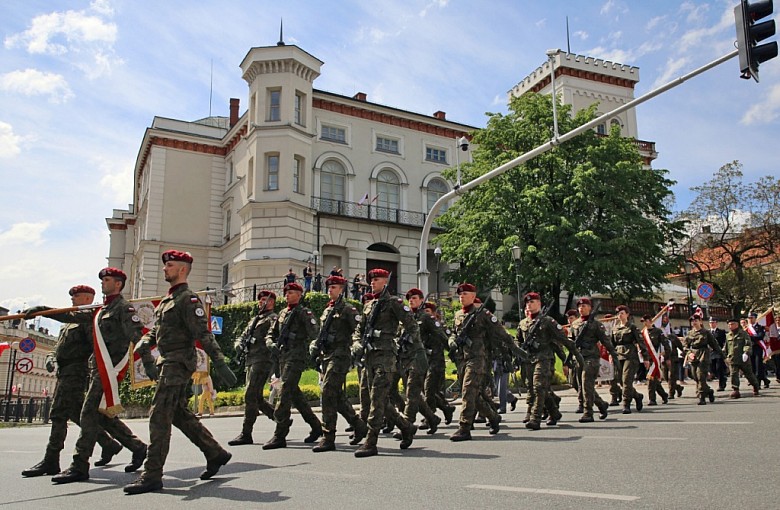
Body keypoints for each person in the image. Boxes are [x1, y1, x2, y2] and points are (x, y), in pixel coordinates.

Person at [124, 250, 237, 494]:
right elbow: (157, 332)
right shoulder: (167, 300)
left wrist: (219, 361)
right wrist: (145, 343)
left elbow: (202, 334)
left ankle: (152, 474)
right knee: (178, 414)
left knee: (159, 415)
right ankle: (215, 453)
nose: (165, 269)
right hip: (167, 362)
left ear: (182, 269)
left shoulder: (188, 299)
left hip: (178, 363)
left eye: (170, 265)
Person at [46, 268, 148, 485]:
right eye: (102, 280)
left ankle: (79, 464)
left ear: (118, 284)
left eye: (107, 280)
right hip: (97, 369)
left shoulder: (123, 308)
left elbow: (139, 337)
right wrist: (44, 312)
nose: (103, 283)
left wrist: (149, 364)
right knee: (101, 415)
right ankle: (137, 447)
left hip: (110, 369)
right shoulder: (101, 309)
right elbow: (72, 315)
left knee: (88, 414)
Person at [21, 285, 126, 478]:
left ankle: (51, 460)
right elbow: (57, 346)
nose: (73, 298)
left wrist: (42, 310)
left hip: (76, 371)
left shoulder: (89, 319)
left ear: (88, 298)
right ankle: (109, 444)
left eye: (77, 296)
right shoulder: (68, 324)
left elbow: (95, 347)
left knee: (59, 413)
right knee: (79, 413)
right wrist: (51, 358)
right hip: (64, 371)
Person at [351, 269, 418, 456]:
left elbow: (411, 325)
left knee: (377, 400)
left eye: (377, 279)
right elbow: (359, 329)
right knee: (376, 400)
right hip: (369, 357)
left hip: (386, 357)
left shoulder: (394, 303)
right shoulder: (369, 305)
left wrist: (406, 347)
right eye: (371, 279)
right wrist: (356, 343)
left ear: (386, 281)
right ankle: (406, 427)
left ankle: (371, 442)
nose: (372, 282)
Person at [309, 275, 367, 452]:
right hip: (327, 356)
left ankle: (328, 437)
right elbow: (321, 334)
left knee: (327, 392)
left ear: (341, 289)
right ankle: (358, 424)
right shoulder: (327, 310)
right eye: (329, 287)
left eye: (334, 287)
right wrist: (315, 344)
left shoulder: (348, 310)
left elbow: (359, 330)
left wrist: (355, 347)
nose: (330, 290)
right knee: (336, 395)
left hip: (340, 355)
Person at [262, 282, 323, 450]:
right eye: (286, 292)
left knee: (285, 391)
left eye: (292, 292)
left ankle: (280, 434)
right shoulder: (282, 313)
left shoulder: (304, 313)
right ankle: (316, 426)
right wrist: (270, 343)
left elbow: (315, 332)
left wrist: (312, 347)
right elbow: (271, 333)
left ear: (300, 294)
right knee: (295, 394)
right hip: (282, 357)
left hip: (296, 357)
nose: (287, 294)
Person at [449, 284, 512, 440]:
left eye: (465, 293)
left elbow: (502, 333)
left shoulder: (483, 314)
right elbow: (452, 333)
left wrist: (514, 350)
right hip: (463, 359)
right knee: (474, 395)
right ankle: (493, 417)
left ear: (473, 295)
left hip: (478, 359)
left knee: (468, 391)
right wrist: (451, 341)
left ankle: (464, 428)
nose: (461, 296)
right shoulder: (458, 315)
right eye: (460, 294)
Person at [517, 292, 582, 430]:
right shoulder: (523, 323)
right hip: (529, 360)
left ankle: (535, 418)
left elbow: (563, 340)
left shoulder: (548, 321)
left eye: (533, 302)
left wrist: (575, 357)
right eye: (528, 302)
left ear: (539, 304)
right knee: (538, 389)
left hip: (544, 358)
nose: (529, 304)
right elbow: (518, 340)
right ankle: (553, 411)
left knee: (539, 386)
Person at [228, 290, 278, 446]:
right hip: (251, 359)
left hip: (263, 360)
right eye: (260, 300)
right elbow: (243, 335)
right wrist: (238, 344)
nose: (261, 302)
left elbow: (273, 336)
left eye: (265, 300)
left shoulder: (273, 319)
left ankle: (246, 433)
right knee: (256, 396)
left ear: (272, 302)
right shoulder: (255, 319)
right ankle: (280, 418)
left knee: (250, 394)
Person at [398, 289, 441, 433]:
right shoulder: (405, 316)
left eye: (414, 298)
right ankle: (432, 418)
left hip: (419, 358)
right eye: (409, 298)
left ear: (421, 300)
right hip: (405, 359)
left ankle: (407, 425)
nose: (411, 300)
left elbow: (440, 335)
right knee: (415, 394)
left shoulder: (426, 317)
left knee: (411, 392)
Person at [568, 298, 618, 423]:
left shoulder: (596, 324)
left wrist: (614, 355)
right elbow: (570, 341)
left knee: (586, 384)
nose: (581, 308)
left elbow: (606, 341)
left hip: (591, 358)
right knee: (582, 386)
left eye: (584, 306)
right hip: (578, 357)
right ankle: (601, 404)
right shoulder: (575, 324)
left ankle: (588, 413)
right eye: (579, 306)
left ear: (590, 308)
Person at [420, 302, 456, 424]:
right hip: (423, 361)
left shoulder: (440, 327)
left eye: (428, 312)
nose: (425, 315)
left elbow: (447, 342)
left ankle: (429, 418)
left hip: (436, 362)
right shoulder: (420, 326)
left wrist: (455, 356)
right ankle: (446, 408)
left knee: (429, 390)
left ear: (435, 313)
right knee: (429, 391)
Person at [611, 305, 649, 414]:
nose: (620, 315)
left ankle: (626, 404)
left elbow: (640, 342)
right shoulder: (615, 328)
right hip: (618, 356)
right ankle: (637, 396)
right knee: (621, 381)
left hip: (630, 356)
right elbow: (612, 343)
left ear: (627, 314)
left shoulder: (632, 327)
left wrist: (645, 357)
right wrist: (611, 354)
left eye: (622, 313)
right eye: (618, 313)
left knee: (627, 381)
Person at [683, 314, 724, 405]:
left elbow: (714, 344)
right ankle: (709, 391)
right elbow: (685, 346)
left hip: (703, 355)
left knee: (701, 376)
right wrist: (689, 353)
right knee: (695, 377)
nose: (694, 322)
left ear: (700, 321)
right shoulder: (690, 333)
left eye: (696, 321)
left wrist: (722, 355)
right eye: (692, 321)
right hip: (693, 356)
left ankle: (701, 397)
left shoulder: (706, 332)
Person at [725, 317, 760, 398]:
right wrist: (725, 356)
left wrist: (746, 353)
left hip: (743, 358)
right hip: (733, 358)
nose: (730, 326)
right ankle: (735, 390)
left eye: (732, 324)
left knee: (749, 374)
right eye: (729, 324)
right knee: (733, 374)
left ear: (737, 325)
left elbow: (748, 344)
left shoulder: (744, 334)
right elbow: (726, 347)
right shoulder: (728, 335)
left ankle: (755, 386)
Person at [641, 314, 669, 405]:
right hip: (646, 359)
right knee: (654, 380)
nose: (644, 323)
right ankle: (664, 395)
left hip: (655, 358)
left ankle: (652, 399)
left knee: (650, 379)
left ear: (650, 321)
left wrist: (667, 356)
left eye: (646, 321)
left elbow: (665, 343)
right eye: (643, 321)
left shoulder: (657, 331)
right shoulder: (643, 333)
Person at [746, 312, 771, 388]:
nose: (750, 319)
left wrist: (749, 337)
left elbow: (760, 336)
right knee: (752, 366)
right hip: (750, 348)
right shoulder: (746, 328)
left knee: (758, 366)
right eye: (749, 318)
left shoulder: (760, 327)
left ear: (755, 318)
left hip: (758, 348)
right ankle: (765, 380)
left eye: (751, 318)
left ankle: (757, 384)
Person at [708, 317, 728, 391]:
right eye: (710, 323)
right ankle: (722, 378)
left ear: (716, 323)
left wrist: (724, 349)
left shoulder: (721, 332)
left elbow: (725, 342)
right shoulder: (707, 332)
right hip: (710, 353)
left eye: (713, 322)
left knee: (719, 368)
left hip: (719, 352)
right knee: (712, 369)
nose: (712, 324)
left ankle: (721, 384)